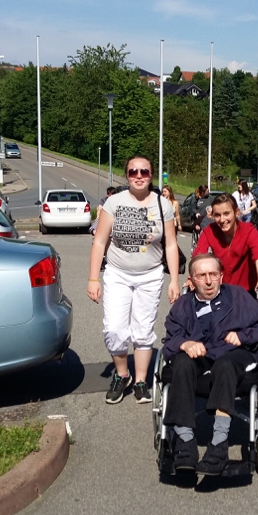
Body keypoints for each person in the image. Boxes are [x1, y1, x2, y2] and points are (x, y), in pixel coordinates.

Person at [161, 254, 258, 475]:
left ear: (221, 276)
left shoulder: (239, 297)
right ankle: (185, 442)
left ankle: (219, 443)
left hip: (234, 356)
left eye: (213, 274)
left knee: (225, 365)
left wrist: (243, 336)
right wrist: (185, 343)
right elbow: (170, 340)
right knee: (181, 363)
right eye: (201, 276)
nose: (208, 281)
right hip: (200, 359)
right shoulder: (183, 306)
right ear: (191, 280)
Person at [88, 155, 181, 405]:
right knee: (114, 329)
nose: (139, 176)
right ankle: (122, 375)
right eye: (133, 172)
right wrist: (93, 278)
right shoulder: (114, 202)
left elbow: (171, 244)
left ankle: (141, 381)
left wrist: (174, 280)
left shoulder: (163, 205)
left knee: (143, 329)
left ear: (151, 175)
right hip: (118, 273)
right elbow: (99, 241)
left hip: (150, 275)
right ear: (126, 175)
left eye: (144, 172)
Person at [193, 194, 258, 296]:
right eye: (217, 215)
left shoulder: (249, 231)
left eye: (226, 214)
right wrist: (190, 279)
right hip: (219, 292)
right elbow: (197, 259)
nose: (222, 219)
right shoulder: (209, 231)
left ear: (236, 212)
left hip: (246, 292)